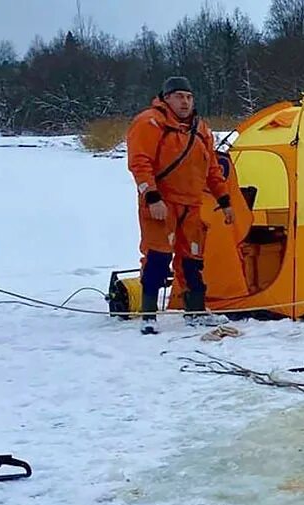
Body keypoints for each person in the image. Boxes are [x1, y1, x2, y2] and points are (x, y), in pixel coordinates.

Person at [126, 76, 234, 334]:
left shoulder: (202, 130)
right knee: (158, 256)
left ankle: (195, 311)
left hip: (192, 205)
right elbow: (140, 163)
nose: (184, 102)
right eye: (178, 97)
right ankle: (149, 315)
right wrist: (151, 197)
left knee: (193, 259)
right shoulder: (149, 123)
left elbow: (212, 170)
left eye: (188, 97)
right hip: (162, 204)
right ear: (166, 99)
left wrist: (225, 200)